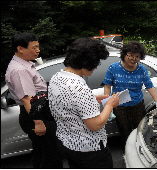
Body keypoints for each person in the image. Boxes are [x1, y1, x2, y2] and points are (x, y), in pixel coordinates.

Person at [48, 37, 120, 168]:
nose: (96, 67)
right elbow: (95, 124)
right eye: (96, 63)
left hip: (67, 143)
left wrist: (93, 98)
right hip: (89, 151)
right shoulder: (79, 88)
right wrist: (110, 105)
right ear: (86, 62)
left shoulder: (56, 77)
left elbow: (69, 101)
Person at [5, 32, 63, 168]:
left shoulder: (25, 65)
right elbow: (27, 99)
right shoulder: (19, 70)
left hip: (39, 112)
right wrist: (38, 122)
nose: (38, 50)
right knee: (48, 156)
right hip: (35, 114)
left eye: (38, 47)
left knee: (45, 152)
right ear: (20, 48)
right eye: (34, 47)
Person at [103, 41, 157, 150]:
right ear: (124, 54)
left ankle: (141, 149)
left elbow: (149, 85)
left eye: (137, 56)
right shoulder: (113, 68)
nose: (134, 59)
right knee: (124, 131)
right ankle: (128, 151)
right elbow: (107, 86)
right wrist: (108, 102)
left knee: (140, 128)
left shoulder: (141, 69)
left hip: (137, 104)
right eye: (131, 55)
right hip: (120, 105)